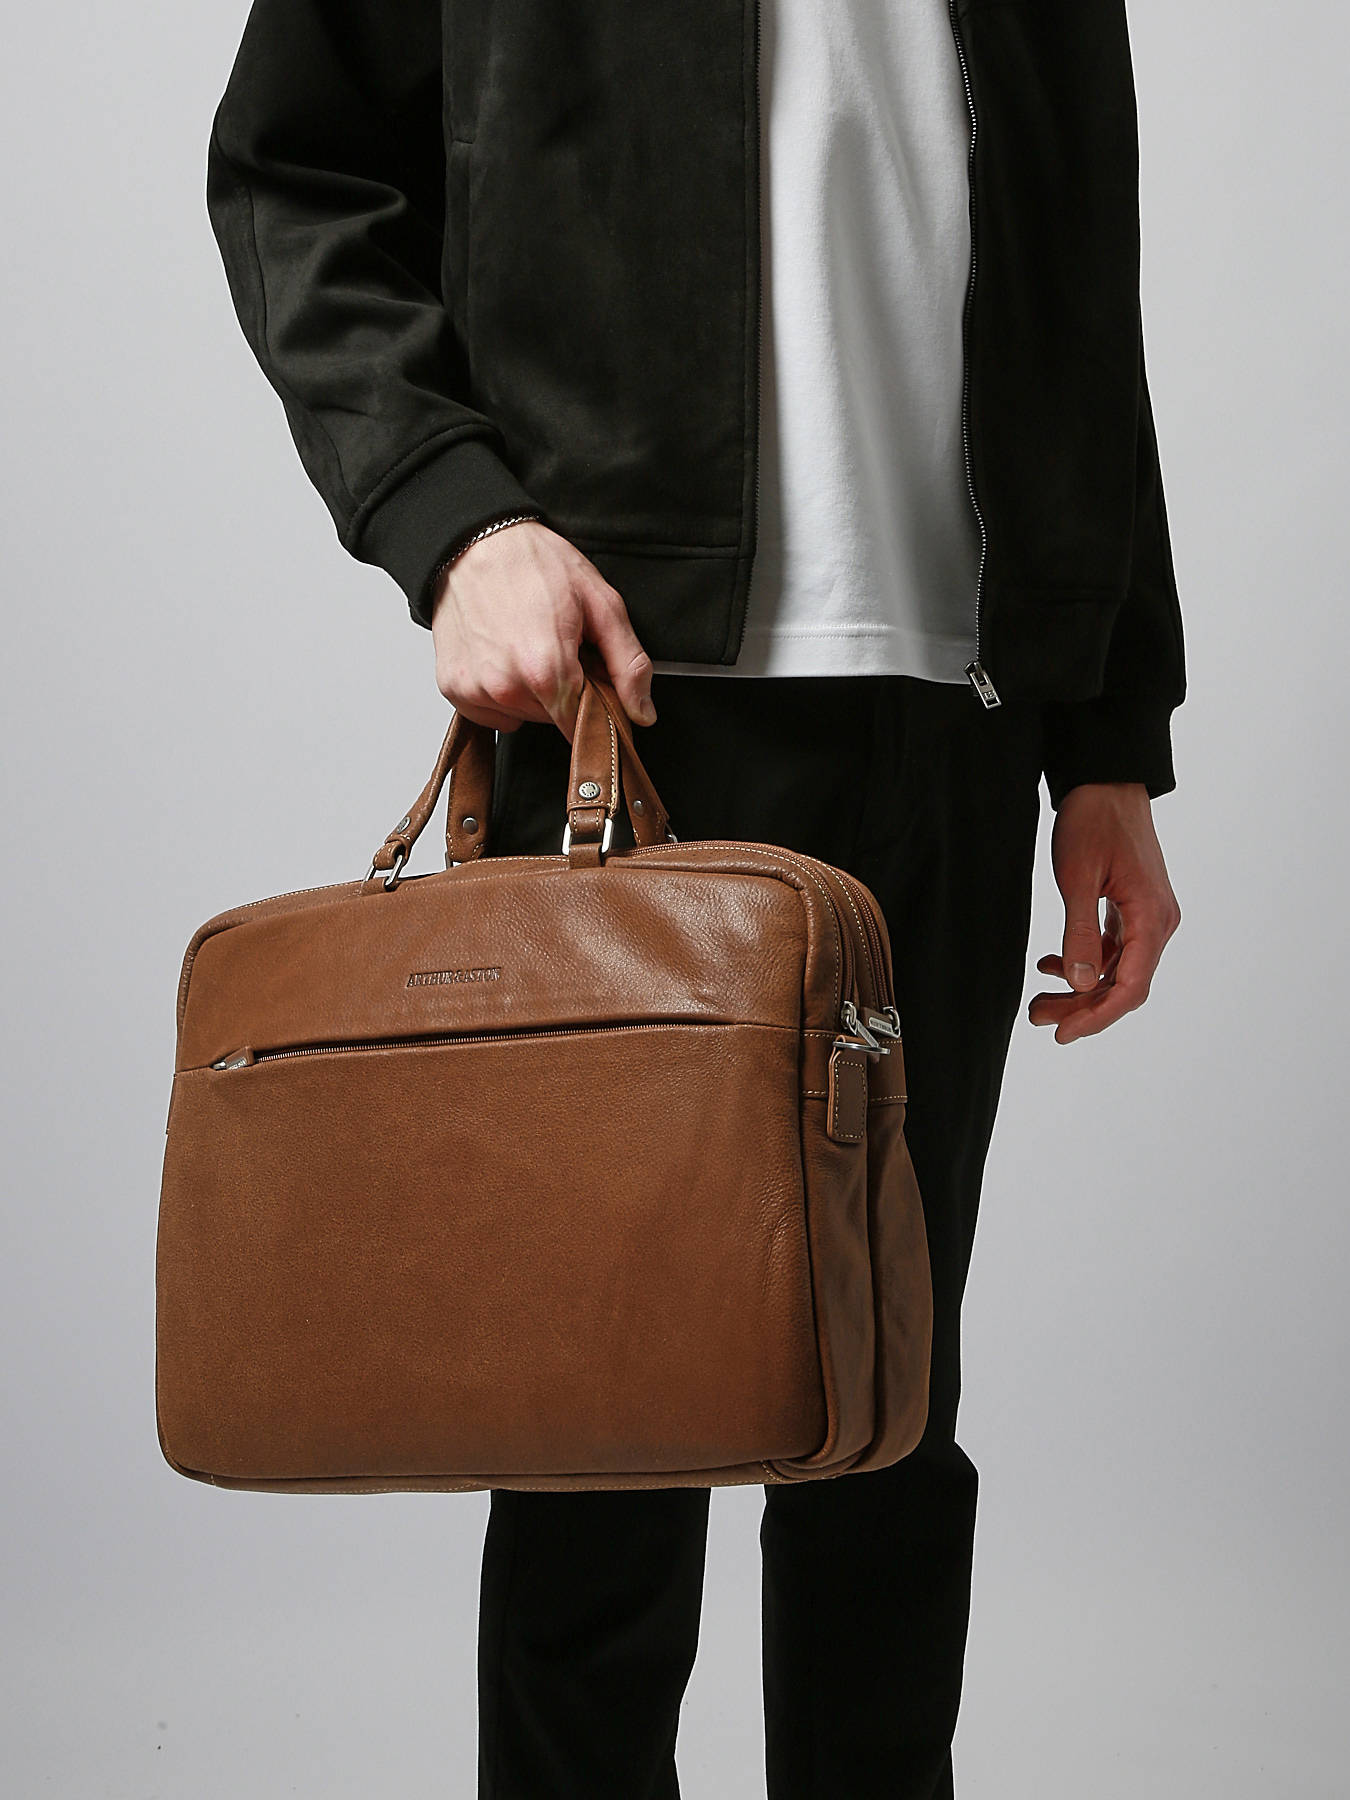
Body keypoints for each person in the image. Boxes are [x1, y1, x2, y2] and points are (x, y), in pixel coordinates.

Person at [204, 1, 1184, 1793]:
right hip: (631, 697)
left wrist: (1107, 737)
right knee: (600, 1446)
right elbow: (294, 165)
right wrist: (456, 517)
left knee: (889, 1422)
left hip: (955, 716)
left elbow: (1076, 281)